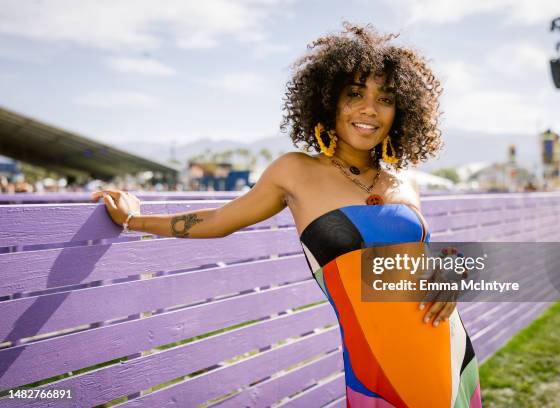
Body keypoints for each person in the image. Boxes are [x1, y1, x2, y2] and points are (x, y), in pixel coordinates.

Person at [91, 22, 481, 408]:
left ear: (401, 111)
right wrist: (134, 220)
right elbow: (219, 220)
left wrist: (453, 272)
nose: (369, 109)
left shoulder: (405, 182)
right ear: (329, 101)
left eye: (385, 99)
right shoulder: (295, 172)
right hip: (375, 367)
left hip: (445, 348)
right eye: (355, 94)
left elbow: (429, 260)